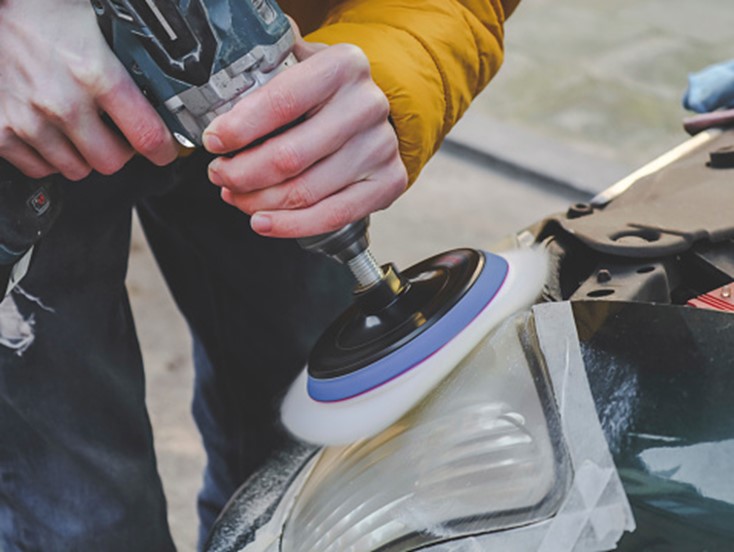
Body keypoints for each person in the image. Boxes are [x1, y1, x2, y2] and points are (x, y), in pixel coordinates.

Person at [0, 0, 519, 549]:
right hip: (22, 104)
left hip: (259, 65)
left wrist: (386, 61)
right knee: (82, 514)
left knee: (310, 444)